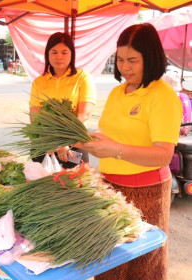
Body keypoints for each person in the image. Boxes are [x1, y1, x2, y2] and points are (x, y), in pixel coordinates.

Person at [80, 23, 183, 280]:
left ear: (150, 58)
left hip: (146, 191)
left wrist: (115, 150)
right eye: (120, 60)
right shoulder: (118, 91)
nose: (125, 67)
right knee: (108, 262)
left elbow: (163, 154)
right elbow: (113, 134)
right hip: (110, 188)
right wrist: (87, 140)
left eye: (133, 61)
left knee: (142, 264)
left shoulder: (163, 95)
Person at [29, 32, 97, 168]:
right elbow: (35, 117)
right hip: (45, 144)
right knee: (42, 184)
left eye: (64, 52)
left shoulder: (82, 78)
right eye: (54, 52)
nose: (59, 57)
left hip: (74, 144)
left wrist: (63, 142)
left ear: (72, 54)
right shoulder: (39, 82)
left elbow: (83, 115)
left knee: (78, 184)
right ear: (47, 54)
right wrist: (53, 143)